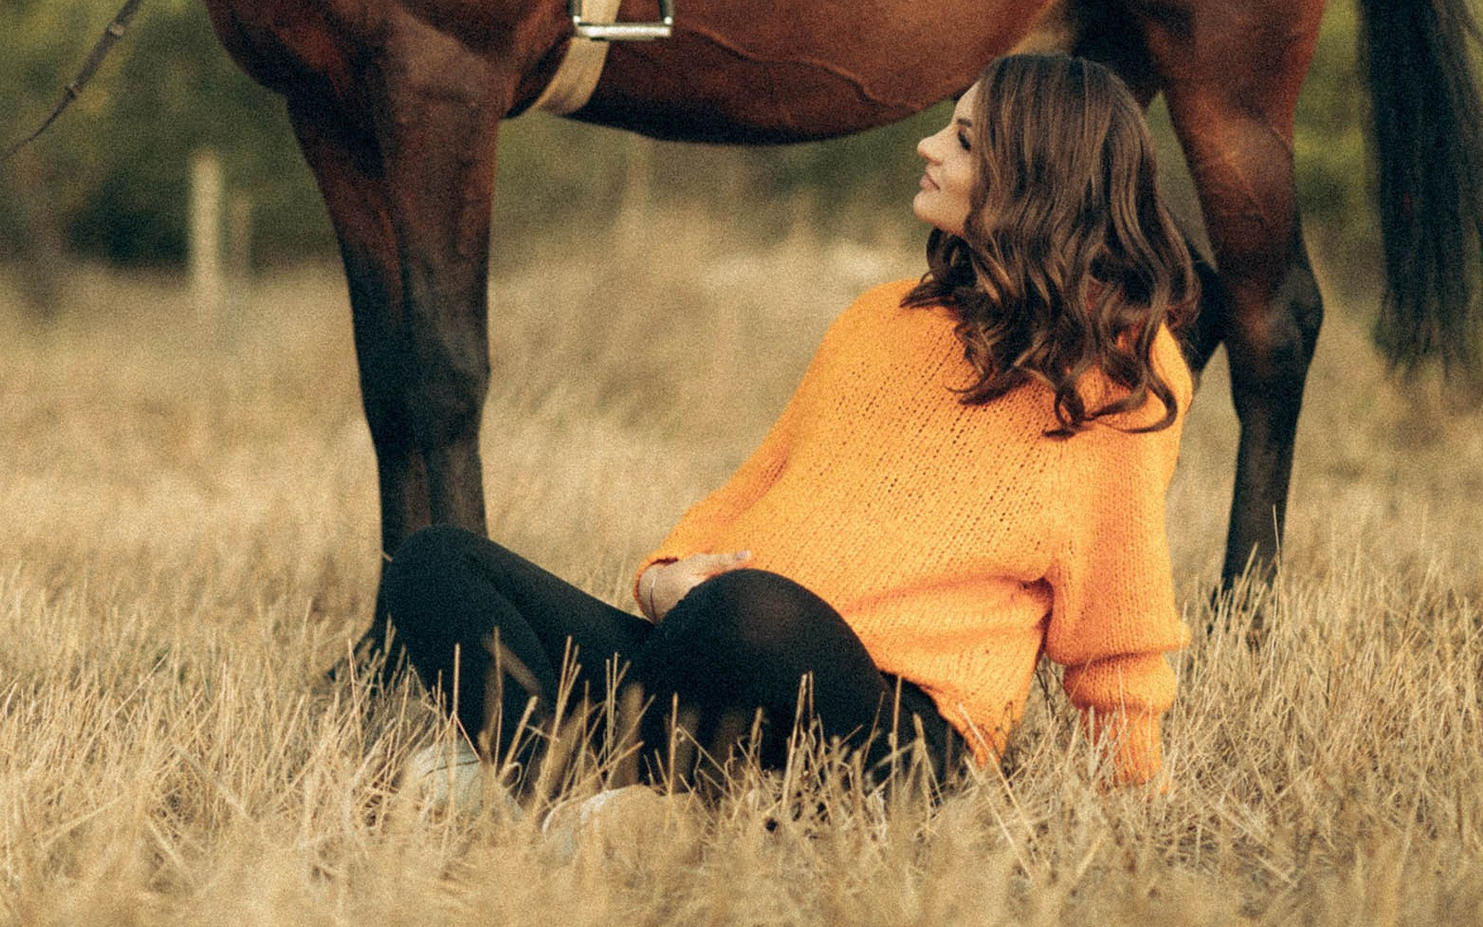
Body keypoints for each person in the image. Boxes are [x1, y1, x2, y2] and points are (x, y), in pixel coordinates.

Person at [379, 52, 1200, 797]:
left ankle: (562, 761)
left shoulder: (1122, 371)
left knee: (752, 615)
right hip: (711, 655)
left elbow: (1118, 624)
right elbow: (762, 483)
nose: (927, 148)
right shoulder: (878, 319)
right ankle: (577, 779)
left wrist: (1133, 783)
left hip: (892, 725)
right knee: (433, 561)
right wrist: (662, 575)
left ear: (1036, 179)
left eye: (964, 142)